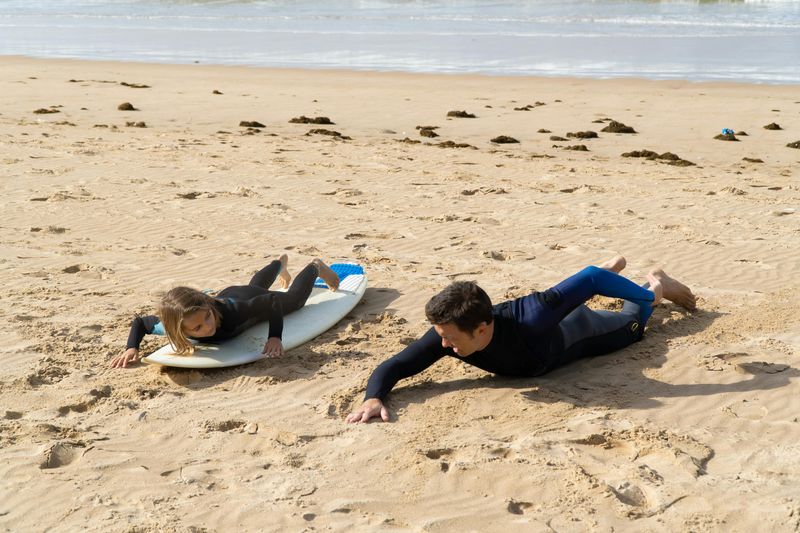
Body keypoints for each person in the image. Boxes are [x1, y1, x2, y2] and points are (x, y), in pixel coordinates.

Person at [346, 255, 696, 423]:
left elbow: (589, 278)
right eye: (442, 337)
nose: (443, 347)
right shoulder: (449, 329)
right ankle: (612, 269)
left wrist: (648, 298)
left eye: (451, 340)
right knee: (574, 292)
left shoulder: (530, 315)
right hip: (551, 321)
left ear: (482, 328)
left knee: (632, 324)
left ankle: (656, 283)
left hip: (581, 331)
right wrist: (374, 397)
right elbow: (397, 364)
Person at [110, 255, 340, 368]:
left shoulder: (235, 313)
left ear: (208, 306)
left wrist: (274, 337)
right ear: (178, 330)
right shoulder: (170, 325)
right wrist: (132, 347)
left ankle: (314, 267)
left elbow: (272, 302)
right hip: (234, 292)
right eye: (197, 328)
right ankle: (278, 264)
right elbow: (141, 322)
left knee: (294, 300)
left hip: (241, 299)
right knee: (256, 286)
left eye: (207, 318)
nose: (208, 326)